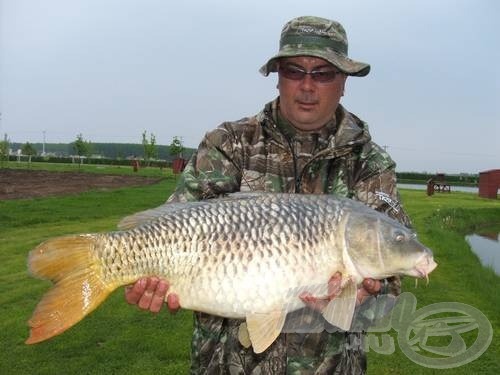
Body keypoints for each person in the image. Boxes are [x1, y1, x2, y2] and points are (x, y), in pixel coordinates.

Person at [125, 16, 411, 374]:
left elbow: (391, 285)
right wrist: (145, 275)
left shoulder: (368, 162)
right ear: (278, 76)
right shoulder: (228, 143)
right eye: (295, 71)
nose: (307, 86)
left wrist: (366, 297)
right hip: (225, 365)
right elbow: (174, 227)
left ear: (344, 82)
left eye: (323, 73)